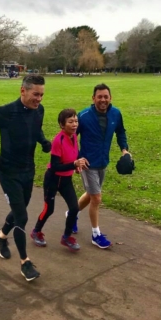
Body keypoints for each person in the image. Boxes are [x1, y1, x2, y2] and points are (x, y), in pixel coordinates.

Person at [0, 74, 51, 281]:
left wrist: (44, 142)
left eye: (42, 95)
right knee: (22, 217)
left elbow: (36, 130)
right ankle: (25, 263)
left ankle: (0, 237)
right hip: (9, 172)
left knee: (20, 210)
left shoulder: (39, 111)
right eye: (35, 94)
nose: (39, 99)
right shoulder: (4, 112)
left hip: (29, 170)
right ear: (22, 91)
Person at [68, 83, 130, 249]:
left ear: (110, 98)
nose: (103, 100)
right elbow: (72, 138)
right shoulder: (84, 116)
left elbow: (121, 131)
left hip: (103, 161)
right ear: (93, 98)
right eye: (99, 97)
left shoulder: (116, 114)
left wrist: (124, 149)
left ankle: (71, 215)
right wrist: (77, 159)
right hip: (88, 163)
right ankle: (96, 234)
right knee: (96, 198)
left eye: (106, 97)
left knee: (90, 193)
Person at [31, 109, 89, 251]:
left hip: (66, 179)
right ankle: (36, 232)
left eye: (76, 121)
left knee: (74, 208)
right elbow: (56, 166)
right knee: (49, 209)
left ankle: (66, 237)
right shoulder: (58, 140)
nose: (75, 124)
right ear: (62, 125)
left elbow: (73, 156)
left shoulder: (74, 137)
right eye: (70, 122)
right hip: (53, 179)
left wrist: (77, 165)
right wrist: (73, 164)